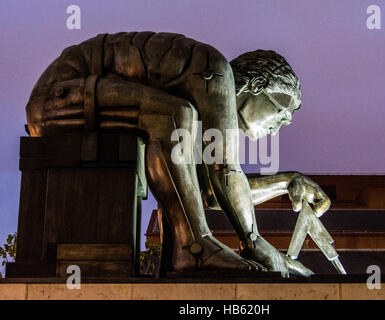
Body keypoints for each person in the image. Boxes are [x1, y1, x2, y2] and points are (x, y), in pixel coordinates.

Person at [26, 32, 330, 277]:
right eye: (279, 115)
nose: (276, 129)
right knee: (172, 114)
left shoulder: (201, 107)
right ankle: (194, 249)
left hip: (79, 98)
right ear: (258, 85)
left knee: (176, 117)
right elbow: (225, 170)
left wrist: (288, 182)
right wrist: (254, 243)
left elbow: (210, 193)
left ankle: (192, 247)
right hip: (57, 97)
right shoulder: (216, 71)